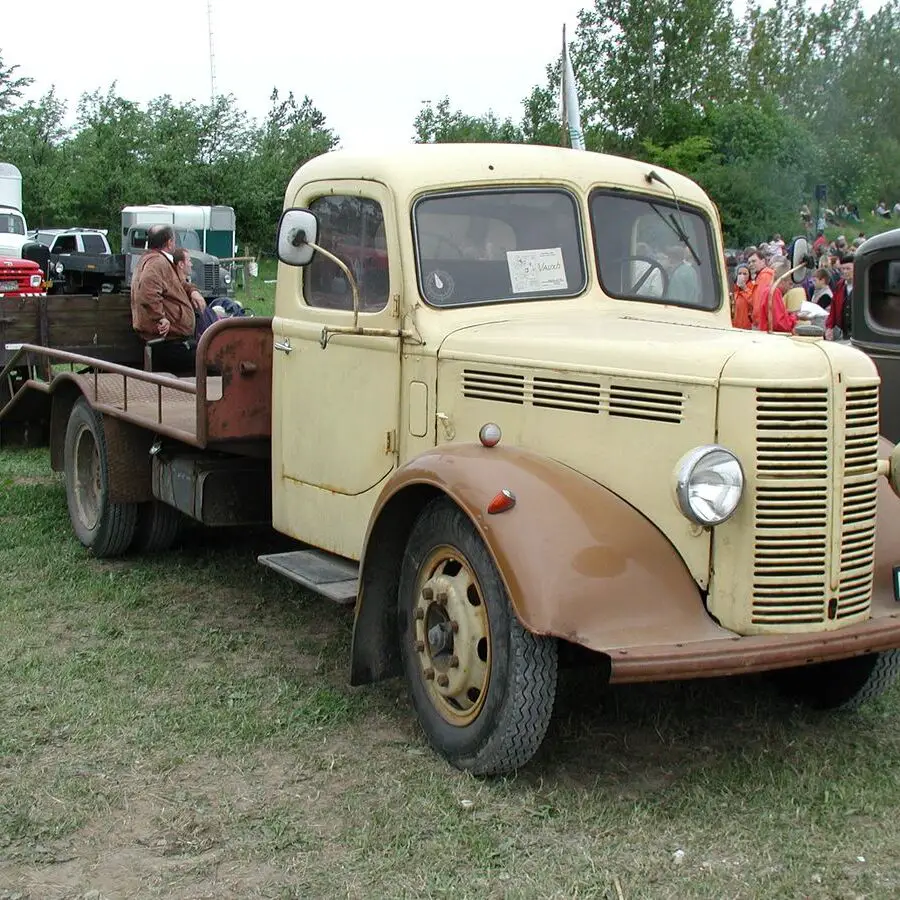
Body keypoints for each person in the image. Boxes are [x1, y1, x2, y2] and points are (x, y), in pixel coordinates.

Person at [130, 224, 198, 374]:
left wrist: (192, 291)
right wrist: (160, 318)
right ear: (169, 243)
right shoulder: (157, 263)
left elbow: (175, 283)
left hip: (170, 339)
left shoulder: (154, 260)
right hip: (166, 342)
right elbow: (147, 292)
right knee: (212, 362)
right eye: (174, 240)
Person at [732, 263, 753, 329]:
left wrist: (744, 288)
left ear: (749, 276)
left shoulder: (752, 288)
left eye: (745, 274)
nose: (742, 276)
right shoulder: (735, 291)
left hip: (747, 328)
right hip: (735, 327)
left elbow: (754, 302)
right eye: (740, 273)